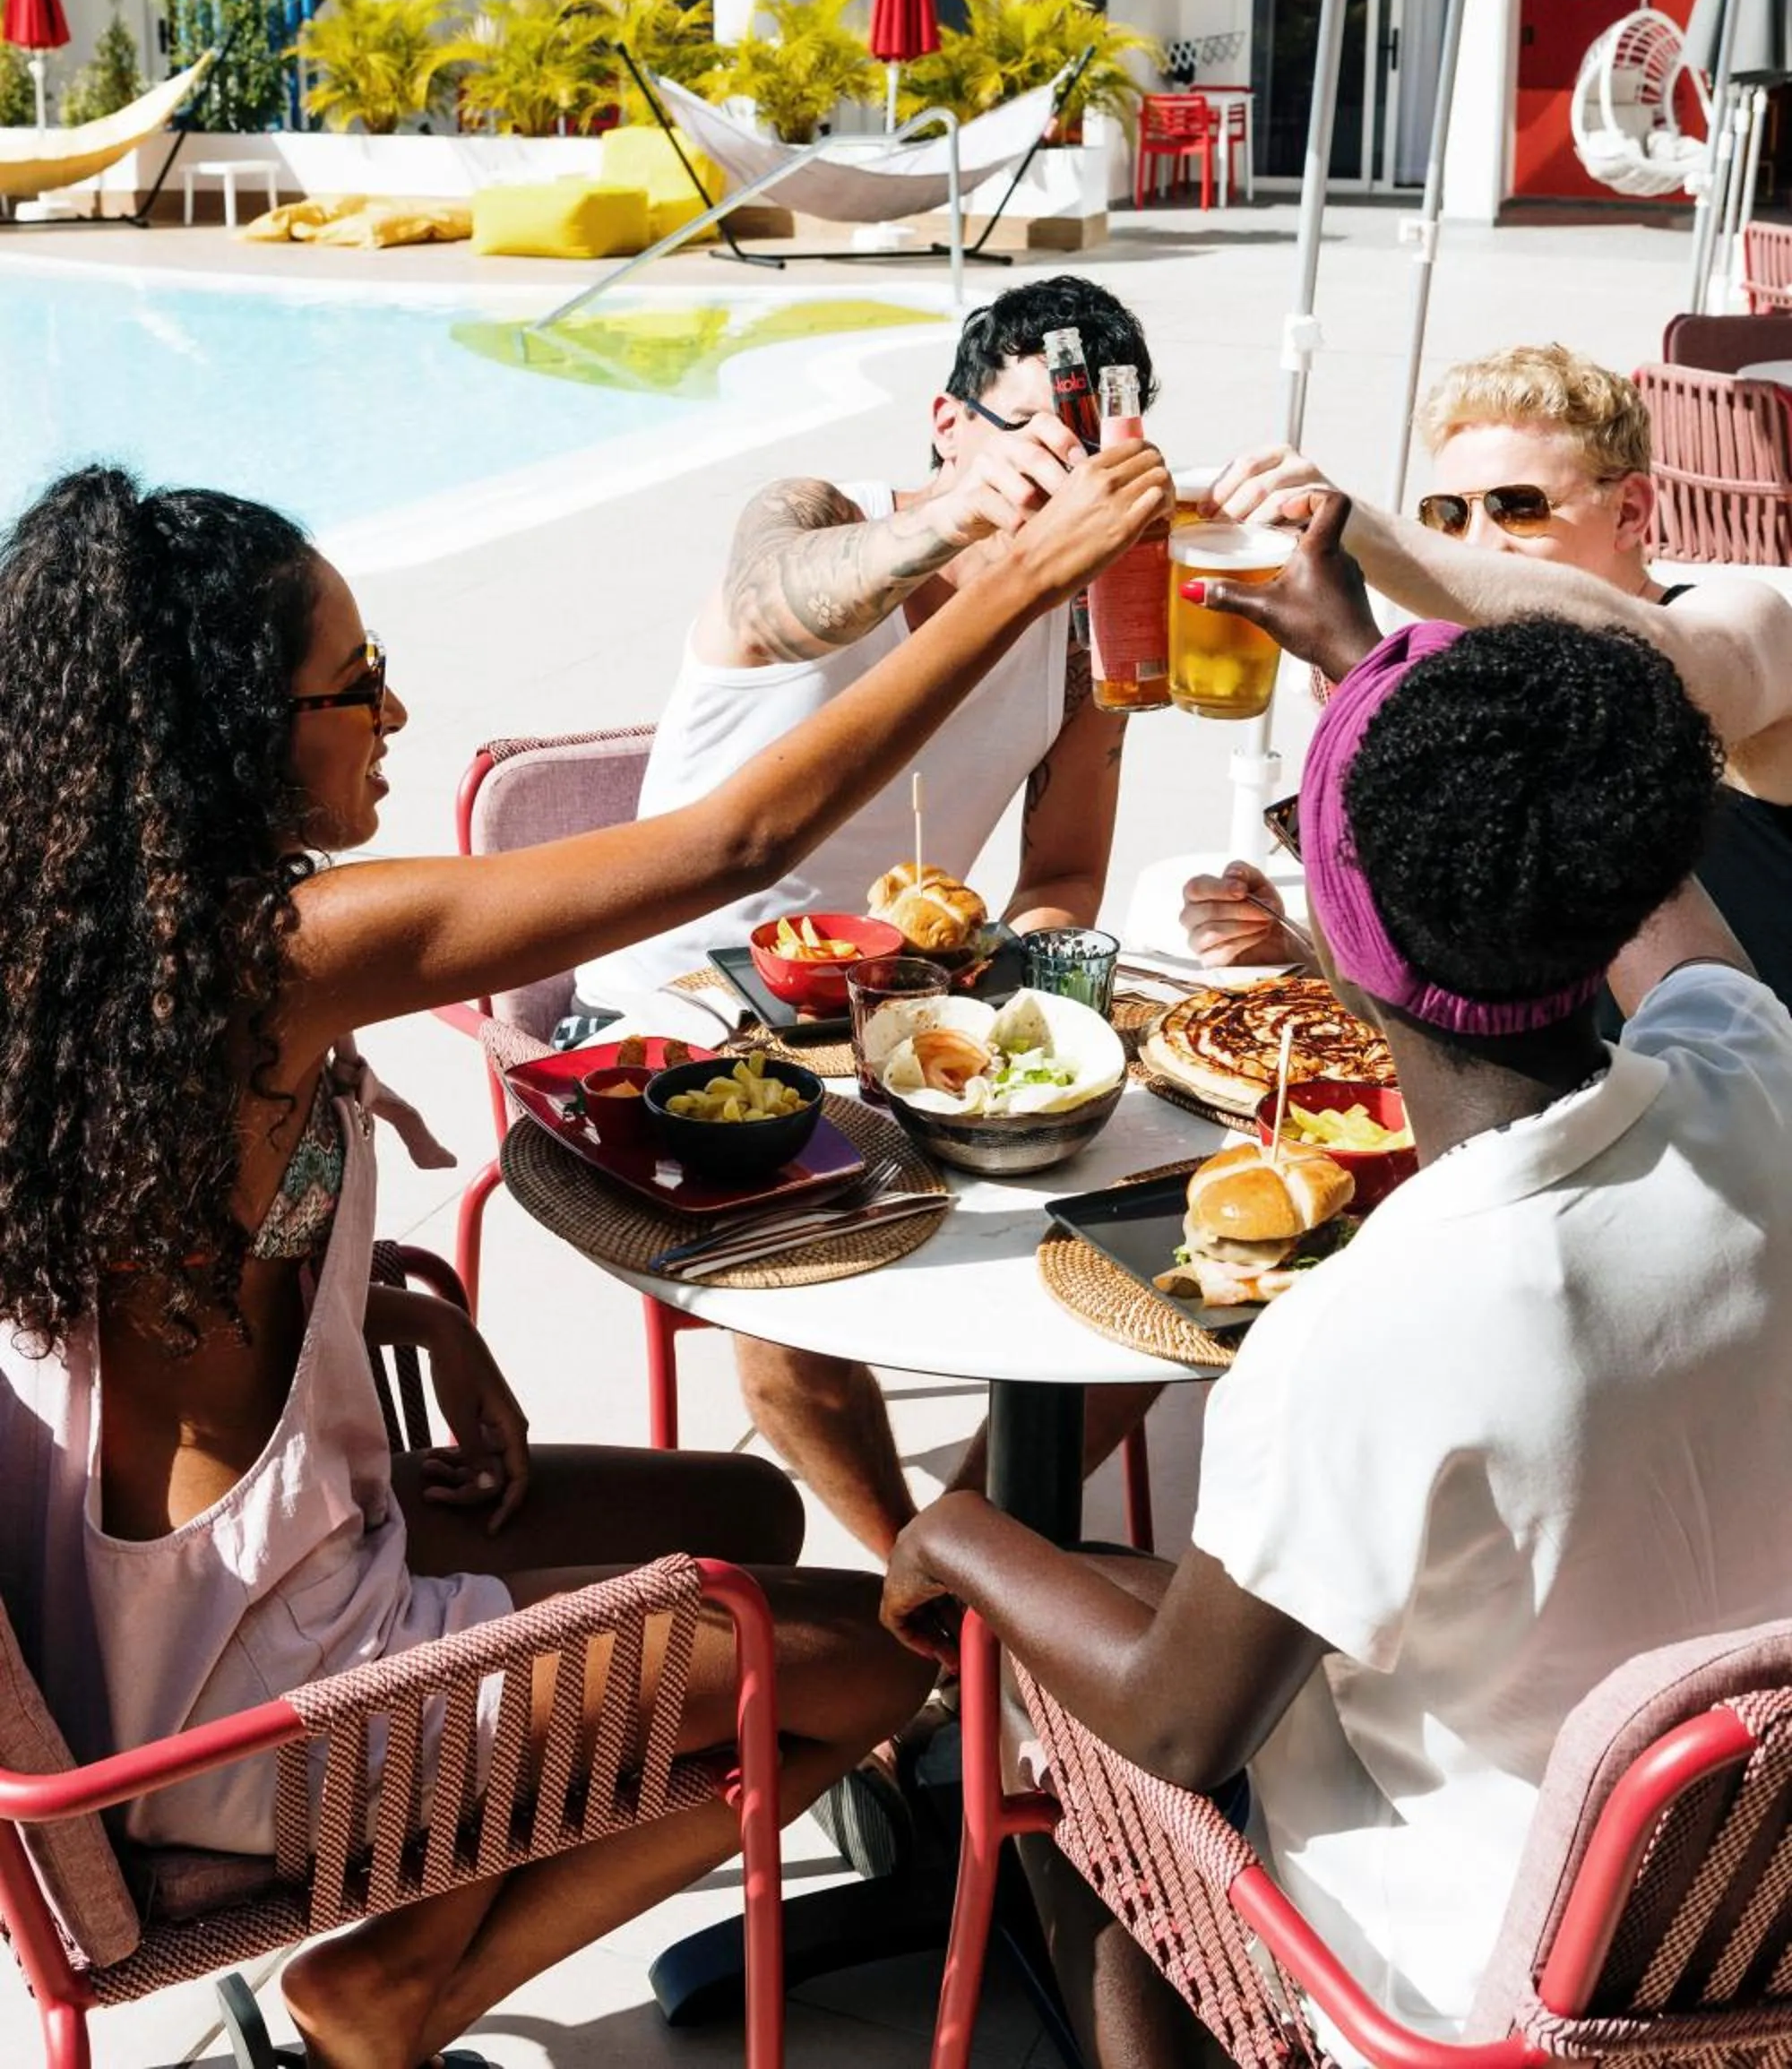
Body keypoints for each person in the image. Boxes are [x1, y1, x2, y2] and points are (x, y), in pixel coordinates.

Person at [0, 444, 1167, 2069]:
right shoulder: (279, 954)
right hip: (252, 1717)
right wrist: (1035, 588)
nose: (396, 715)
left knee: (749, 1509)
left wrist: (398, 1300)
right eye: (360, 684)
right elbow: (734, 839)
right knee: (859, 1669)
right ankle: (393, 1987)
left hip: (181, 1609)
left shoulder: (85, 960)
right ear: (224, 737)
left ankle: (427, 1917)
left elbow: (186, 1257)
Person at [880, 495, 1792, 2064]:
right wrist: (1361, 658)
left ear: (1340, 932)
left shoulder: (1367, 1329)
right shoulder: (1752, 1079)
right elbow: (1647, 892)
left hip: (1477, 1975)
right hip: (1752, 1890)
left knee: (1080, 1757)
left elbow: (1180, 1719)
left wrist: (955, 1531)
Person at [577, 275, 1162, 1564]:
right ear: (950, 425)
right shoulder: (818, 518)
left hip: (902, 1016)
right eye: (1029, 431)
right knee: (796, 1334)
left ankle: (964, 1552)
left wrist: (1006, 1013)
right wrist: (964, 530)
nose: (1059, 469)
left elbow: (1062, 865)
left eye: (1093, 442)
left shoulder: (1085, 628)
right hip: (685, 1013)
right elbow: (785, 583)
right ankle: (931, 1596)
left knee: (1166, 1282)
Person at [1184, 342, 1792, 1003]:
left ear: (1631, 512)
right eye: (1449, 514)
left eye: (1518, 506)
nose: (1478, 542)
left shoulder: (1744, 616)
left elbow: (1652, 663)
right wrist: (1302, 949)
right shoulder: (1471, 689)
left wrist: (1363, 535)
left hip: (1745, 1096)